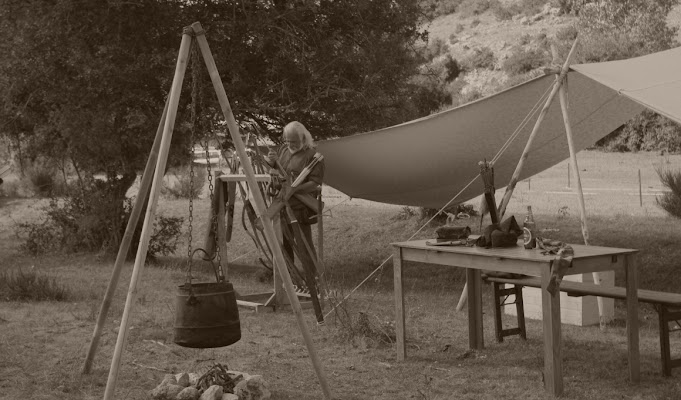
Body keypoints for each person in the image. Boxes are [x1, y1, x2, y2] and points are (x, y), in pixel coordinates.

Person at [265, 121, 325, 279]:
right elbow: (279, 172)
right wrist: (272, 162)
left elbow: (315, 183)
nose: (290, 144)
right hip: (282, 205)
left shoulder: (312, 156)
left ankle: (312, 279)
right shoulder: (284, 150)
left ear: (303, 138)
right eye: (287, 140)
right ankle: (289, 278)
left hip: (300, 207)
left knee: (304, 244)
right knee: (284, 244)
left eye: (293, 141)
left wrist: (296, 188)